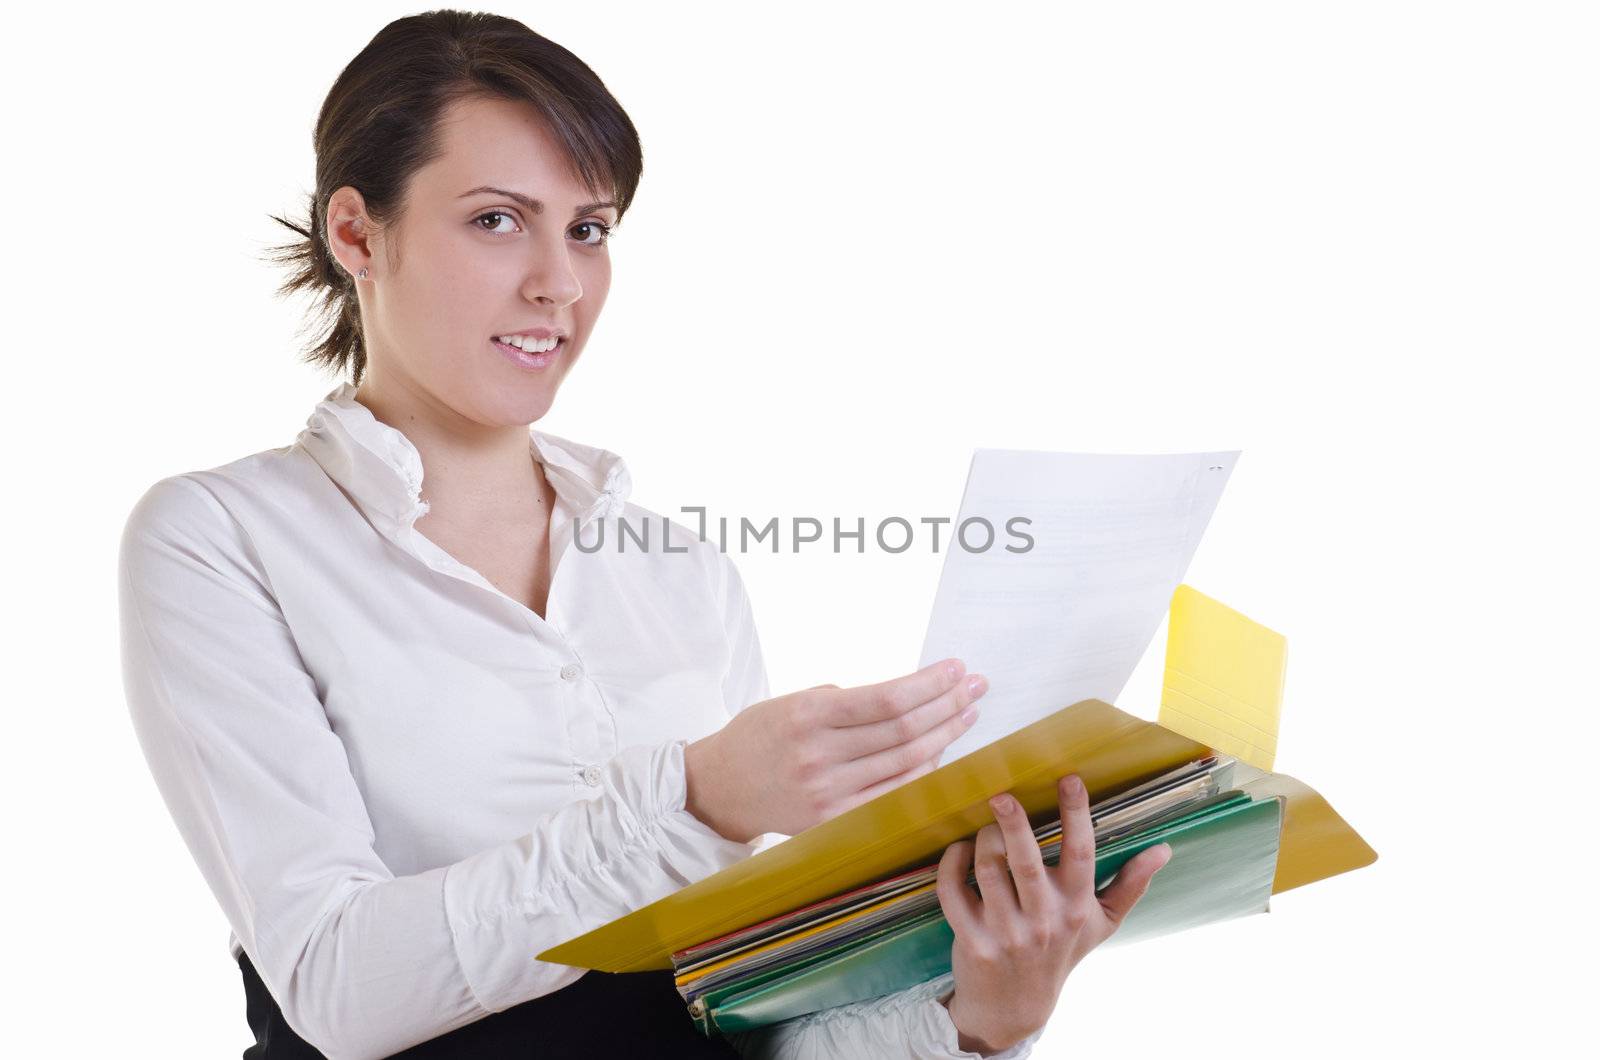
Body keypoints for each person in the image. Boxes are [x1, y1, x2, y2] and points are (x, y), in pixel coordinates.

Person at [117, 11, 1171, 1058]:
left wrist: (980, 1015)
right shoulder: (223, 538)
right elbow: (335, 986)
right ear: (356, 233)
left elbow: (751, 1023)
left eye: (588, 228)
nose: (560, 283)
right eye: (496, 220)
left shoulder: (680, 572)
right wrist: (696, 795)